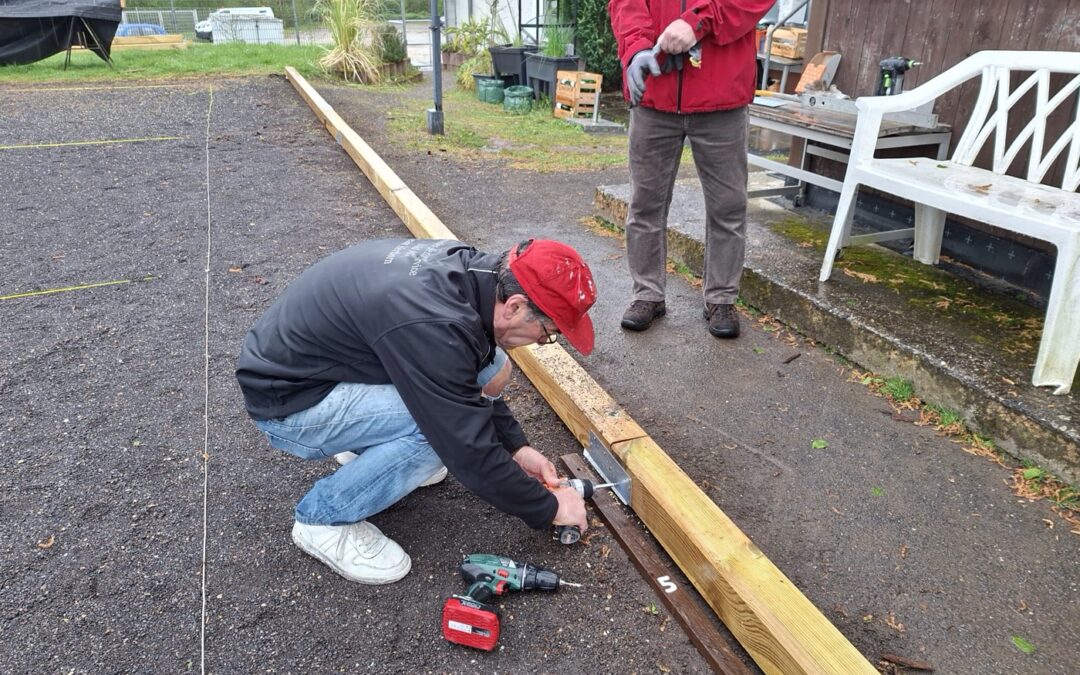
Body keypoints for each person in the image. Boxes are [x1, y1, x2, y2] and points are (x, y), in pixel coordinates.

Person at [235, 238, 597, 585]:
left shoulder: (472, 274)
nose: (542, 341)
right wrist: (549, 507)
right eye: (547, 331)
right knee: (436, 436)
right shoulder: (433, 322)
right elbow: (467, 448)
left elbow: (468, 371)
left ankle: (368, 446)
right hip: (290, 403)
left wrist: (517, 448)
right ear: (515, 306)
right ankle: (323, 518)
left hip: (323, 366)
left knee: (492, 368)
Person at [609, 0, 774, 338]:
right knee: (644, 204)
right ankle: (647, 294)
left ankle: (722, 297)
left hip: (721, 95)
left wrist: (697, 22)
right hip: (654, 90)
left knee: (728, 206)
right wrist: (636, 47)